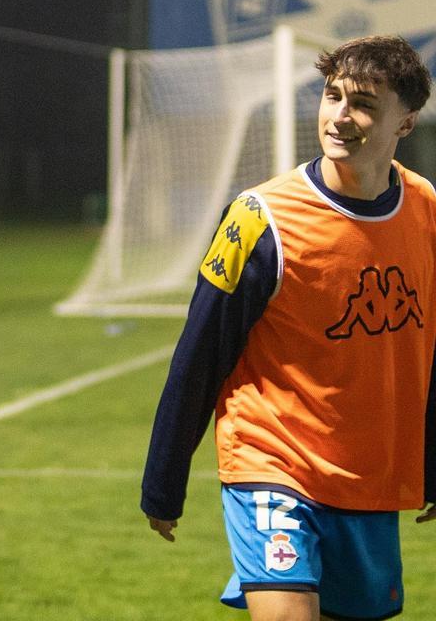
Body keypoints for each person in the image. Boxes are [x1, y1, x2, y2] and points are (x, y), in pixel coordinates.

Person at [141, 34, 436, 620]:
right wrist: (163, 480)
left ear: (405, 123)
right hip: (271, 460)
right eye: (332, 97)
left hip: (367, 477)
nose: (339, 117)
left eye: (364, 105)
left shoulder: (427, 212)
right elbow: (200, 351)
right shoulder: (258, 219)